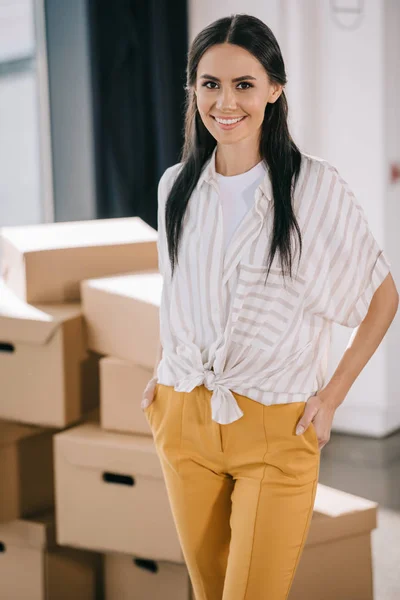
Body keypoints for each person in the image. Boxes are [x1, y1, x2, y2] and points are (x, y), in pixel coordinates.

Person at [141, 13, 398, 600]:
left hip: (277, 427)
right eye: (209, 84)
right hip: (183, 418)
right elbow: (176, 290)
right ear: (193, 90)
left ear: (274, 89)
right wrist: (161, 377)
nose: (224, 101)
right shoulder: (174, 186)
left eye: (243, 84)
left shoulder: (315, 187)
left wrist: (331, 399)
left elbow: (383, 296)